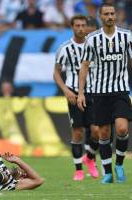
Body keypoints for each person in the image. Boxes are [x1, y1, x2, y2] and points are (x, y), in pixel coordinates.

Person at [77, 3, 132, 184]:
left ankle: (119, 164)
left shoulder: (126, 36)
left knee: (122, 128)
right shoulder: (92, 39)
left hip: (120, 91)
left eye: (112, 13)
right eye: (106, 14)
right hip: (99, 93)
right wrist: (81, 93)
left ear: (117, 15)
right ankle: (107, 172)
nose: (110, 16)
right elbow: (84, 66)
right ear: (100, 16)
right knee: (103, 133)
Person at [53, 15, 99, 181]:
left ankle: (90, 158)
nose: (80, 28)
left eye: (83, 25)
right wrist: (66, 90)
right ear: (72, 27)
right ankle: (78, 170)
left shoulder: (94, 45)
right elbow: (56, 73)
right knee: (78, 132)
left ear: (87, 27)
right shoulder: (64, 48)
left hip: (93, 91)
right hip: (73, 92)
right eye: (77, 25)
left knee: (96, 131)